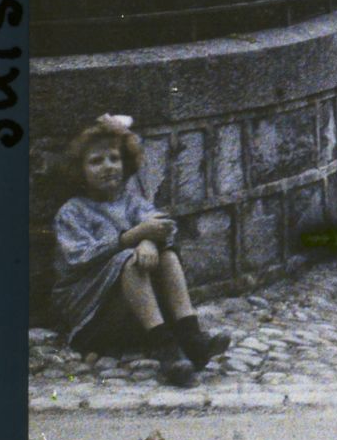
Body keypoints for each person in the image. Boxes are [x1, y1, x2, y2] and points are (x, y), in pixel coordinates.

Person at [52, 115, 230, 386]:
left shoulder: (133, 202)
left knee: (167, 255)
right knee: (129, 261)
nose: (107, 167)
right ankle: (166, 349)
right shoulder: (73, 212)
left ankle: (191, 336)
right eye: (96, 161)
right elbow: (79, 257)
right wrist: (131, 237)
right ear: (80, 170)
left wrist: (149, 241)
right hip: (93, 316)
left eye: (113, 158)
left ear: (126, 163)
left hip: (133, 309)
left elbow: (163, 226)